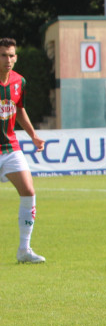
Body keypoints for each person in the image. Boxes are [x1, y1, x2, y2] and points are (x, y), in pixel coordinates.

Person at [0, 38, 45, 264]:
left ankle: (24, 250)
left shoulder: (19, 82)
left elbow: (19, 110)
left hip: (9, 147)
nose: (8, 60)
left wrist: (33, 135)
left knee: (28, 191)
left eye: (11, 55)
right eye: (3, 55)